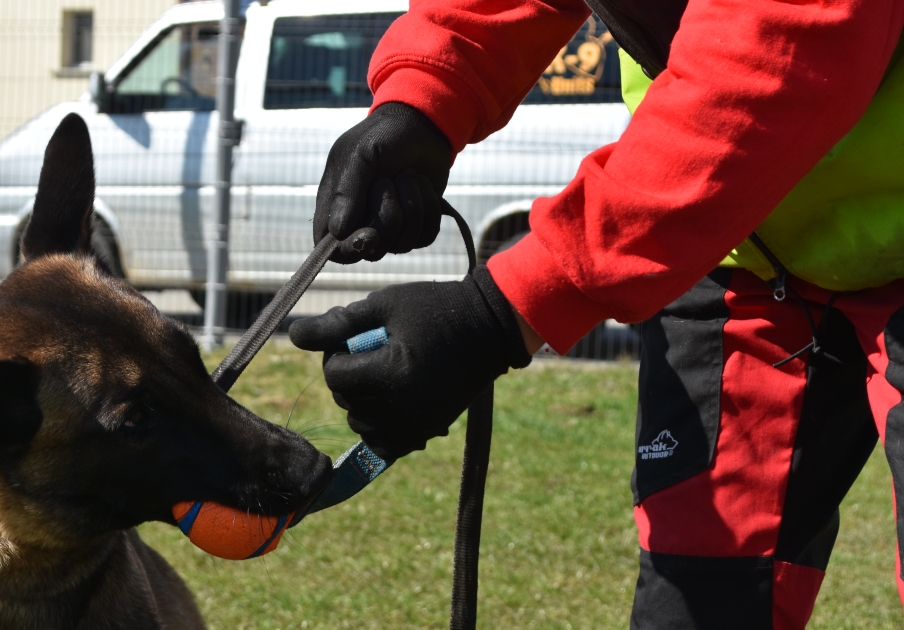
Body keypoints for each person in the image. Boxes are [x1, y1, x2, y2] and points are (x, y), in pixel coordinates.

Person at [286, 0, 904, 627]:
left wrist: (501, 313)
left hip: (761, 192)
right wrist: (425, 90)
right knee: (695, 601)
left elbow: (787, 46)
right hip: (742, 255)